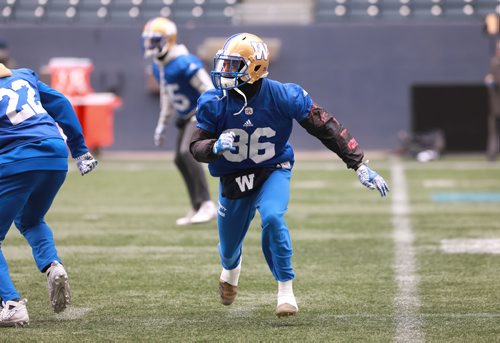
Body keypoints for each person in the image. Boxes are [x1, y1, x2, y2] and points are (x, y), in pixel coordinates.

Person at [190, 33, 390, 317]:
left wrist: (358, 164)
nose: (225, 72)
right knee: (228, 249)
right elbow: (195, 147)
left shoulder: (283, 96)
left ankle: (286, 290)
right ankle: (231, 271)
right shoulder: (214, 101)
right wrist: (214, 146)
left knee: (272, 216)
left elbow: (325, 126)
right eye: (225, 64)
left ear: (255, 69)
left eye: (234, 66)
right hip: (232, 177)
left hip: (273, 168)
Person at [0, 64, 98, 327]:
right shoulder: (24, 76)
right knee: (30, 219)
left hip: (17, 158)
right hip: (55, 156)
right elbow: (62, 104)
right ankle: (52, 265)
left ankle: (10, 303)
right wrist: (79, 150)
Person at [142, 17, 217, 225]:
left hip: (198, 113)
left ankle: (207, 204)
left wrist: (209, 114)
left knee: (187, 152)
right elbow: (167, 98)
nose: (150, 45)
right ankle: (197, 205)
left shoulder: (184, 61)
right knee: (178, 158)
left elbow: (208, 89)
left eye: (155, 40)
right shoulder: (159, 66)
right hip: (184, 117)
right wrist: (162, 125)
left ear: (169, 40)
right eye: (149, 40)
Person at [484, 40, 500, 161]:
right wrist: (489, 80)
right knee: (493, 131)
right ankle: (492, 154)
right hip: (495, 105)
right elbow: (489, 78)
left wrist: (492, 81)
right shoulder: (494, 62)